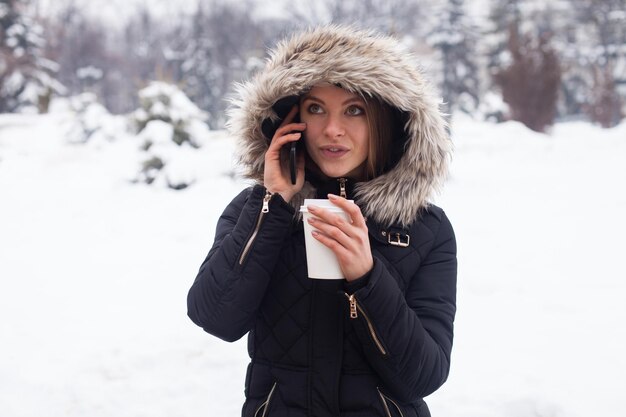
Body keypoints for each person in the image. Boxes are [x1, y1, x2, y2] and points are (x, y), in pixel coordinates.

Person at [187, 25, 457, 417]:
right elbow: (215, 317)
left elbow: (424, 376)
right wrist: (273, 204)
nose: (332, 129)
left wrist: (367, 277)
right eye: (316, 109)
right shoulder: (258, 210)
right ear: (291, 122)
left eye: (354, 110)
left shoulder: (424, 229)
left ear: (387, 121)